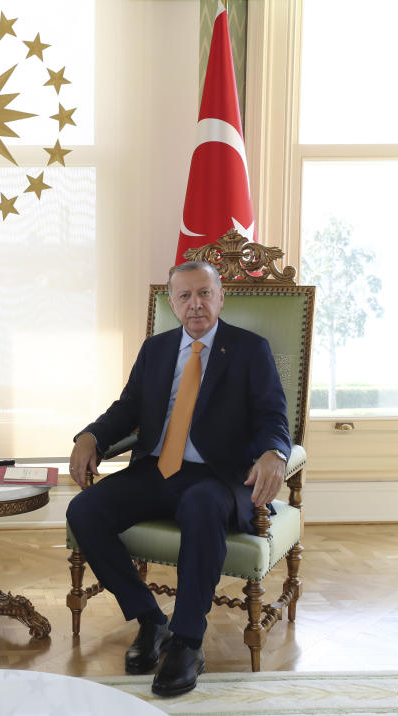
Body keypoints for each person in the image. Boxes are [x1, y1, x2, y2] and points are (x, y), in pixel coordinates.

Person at [66, 260, 290, 697]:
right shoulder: (156, 349)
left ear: (221, 297)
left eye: (204, 293)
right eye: (185, 296)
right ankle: (150, 620)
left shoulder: (249, 349)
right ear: (172, 303)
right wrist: (90, 435)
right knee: (84, 510)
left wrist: (274, 452)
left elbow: (272, 415)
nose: (196, 305)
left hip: (219, 478)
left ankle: (187, 642)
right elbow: (127, 408)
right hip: (157, 469)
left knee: (200, 504)